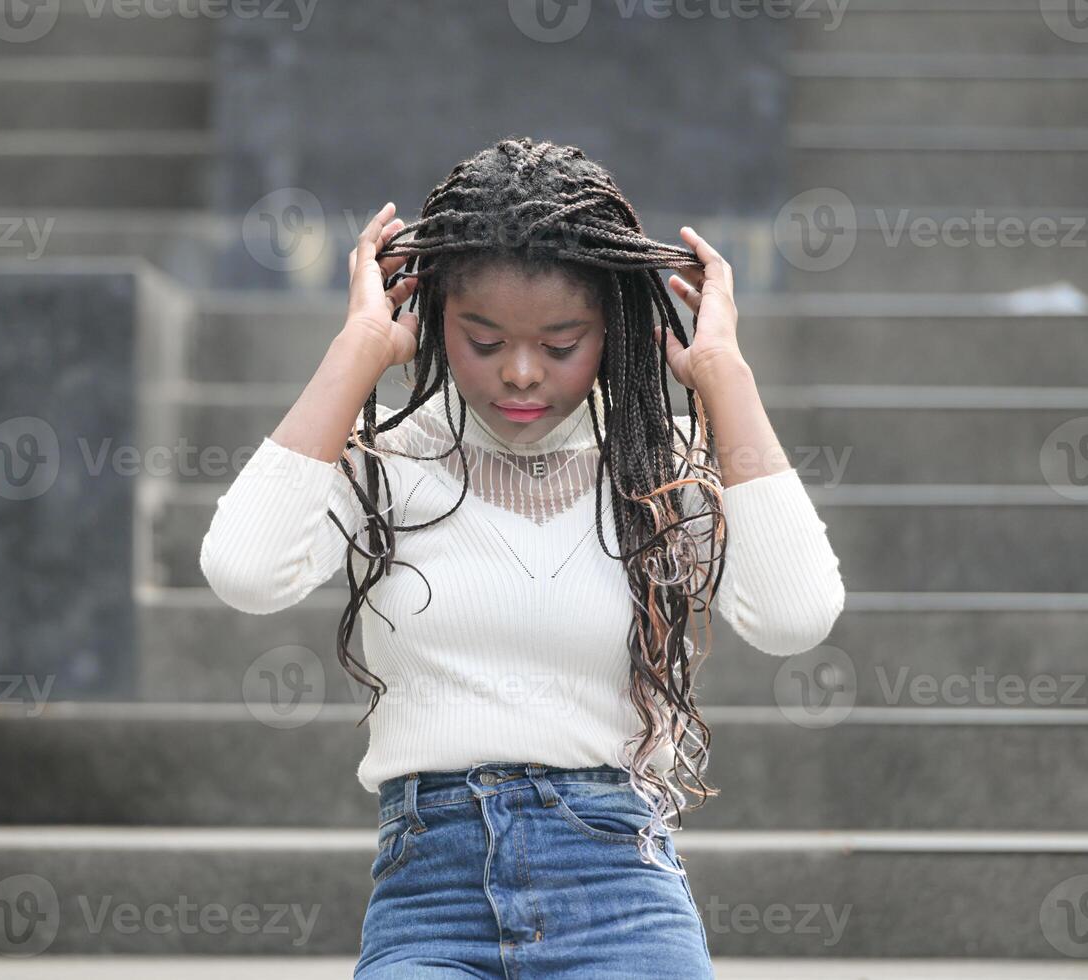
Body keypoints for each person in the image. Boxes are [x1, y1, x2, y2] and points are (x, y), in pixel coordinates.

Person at [200, 137, 846, 979]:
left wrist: (724, 377)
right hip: (431, 898)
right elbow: (245, 571)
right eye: (483, 338)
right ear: (433, 319)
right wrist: (356, 352)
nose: (520, 373)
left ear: (614, 328)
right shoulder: (390, 463)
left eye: (562, 341)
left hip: (620, 892)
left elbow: (796, 617)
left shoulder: (660, 466)